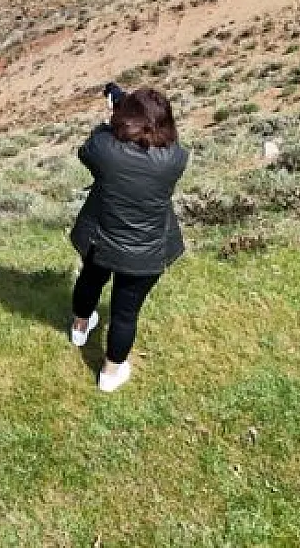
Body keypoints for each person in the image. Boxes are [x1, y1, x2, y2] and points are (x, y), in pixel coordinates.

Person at [68, 82, 188, 392]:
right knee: (124, 313)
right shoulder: (175, 158)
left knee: (90, 281)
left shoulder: (106, 149)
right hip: (145, 250)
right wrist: (127, 106)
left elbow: (87, 150)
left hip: (101, 239)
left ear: (125, 119)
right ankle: (110, 374)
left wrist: (112, 115)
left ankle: (80, 328)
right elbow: (161, 137)